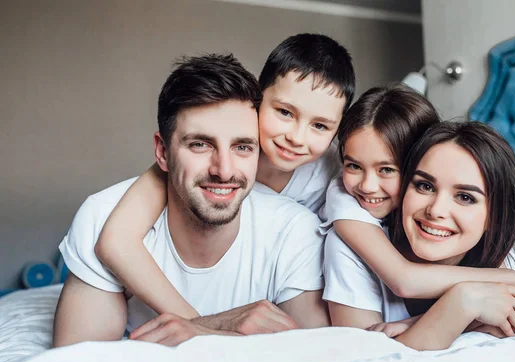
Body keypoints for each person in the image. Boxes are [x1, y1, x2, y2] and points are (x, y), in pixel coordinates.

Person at [53, 53, 330, 348]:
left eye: (242, 147)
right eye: (200, 144)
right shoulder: (102, 215)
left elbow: (315, 361)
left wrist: (202, 332)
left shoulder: (295, 231)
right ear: (162, 152)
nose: (223, 170)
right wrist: (218, 327)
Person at [93, 33, 355, 319]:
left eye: (319, 126)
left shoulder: (333, 172)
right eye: (284, 112)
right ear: (256, 99)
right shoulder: (199, 162)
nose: (296, 137)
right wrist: (201, 325)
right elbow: (116, 240)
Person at [322, 89, 515, 350]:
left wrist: (420, 322)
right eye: (424, 186)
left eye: (465, 197)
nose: (436, 210)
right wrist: (462, 302)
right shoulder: (349, 234)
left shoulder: (489, 250)